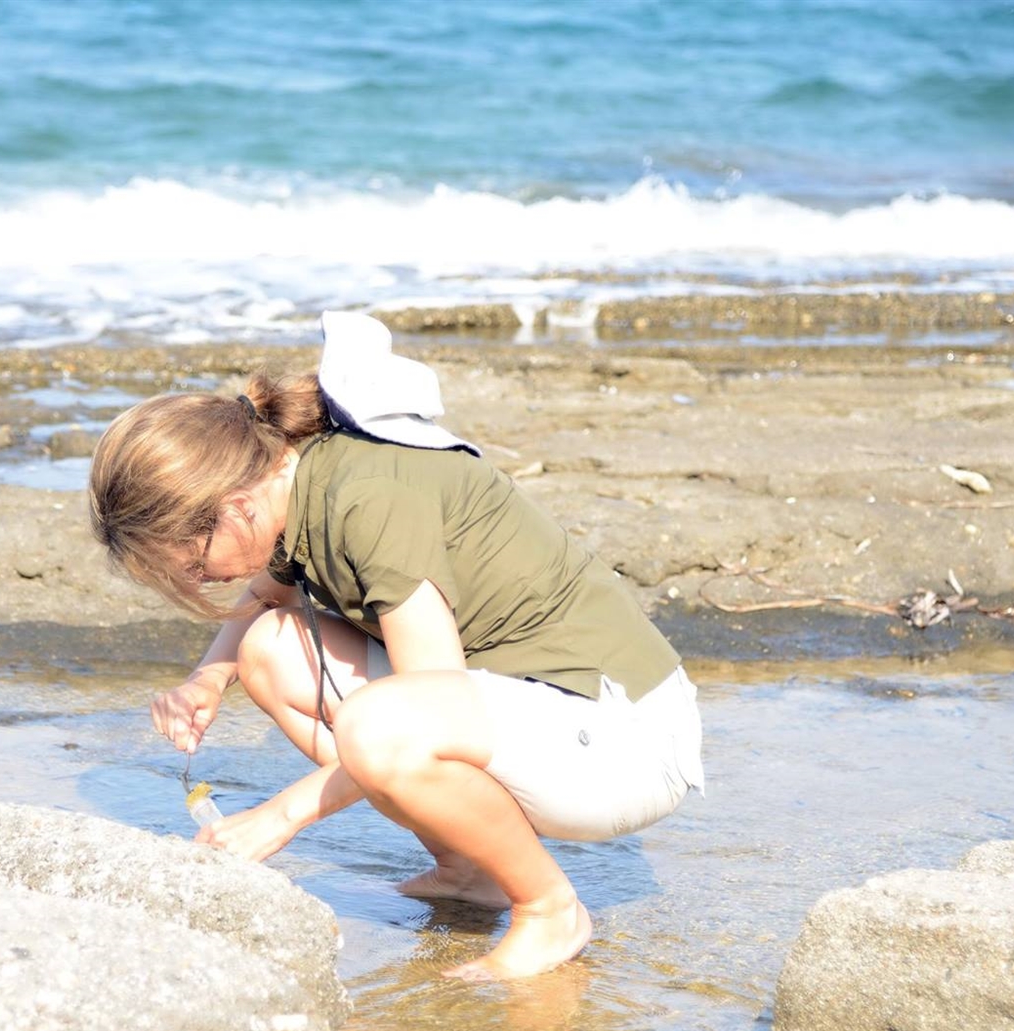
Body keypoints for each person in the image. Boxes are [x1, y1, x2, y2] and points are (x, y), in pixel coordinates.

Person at [87, 312, 704, 980]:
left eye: (195, 563)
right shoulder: (297, 483)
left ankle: (550, 907)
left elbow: (421, 706)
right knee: (268, 649)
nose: (201, 579)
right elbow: (266, 605)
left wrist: (280, 815)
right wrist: (207, 679)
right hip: (537, 711)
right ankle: (470, 867)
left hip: (627, 739)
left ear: (233, 504)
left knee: (378, 724)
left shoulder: (365, 498)